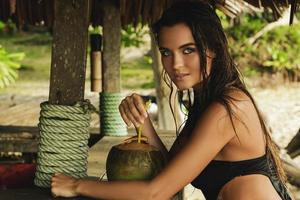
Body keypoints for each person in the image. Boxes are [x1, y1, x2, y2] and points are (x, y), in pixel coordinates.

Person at [51, 2, 292, 199]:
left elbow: (156, 192)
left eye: (188, 50)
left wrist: (76, 186)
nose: (175, 65)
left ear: (214, 48)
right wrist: (142, 122)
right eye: (167, 52)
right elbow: (170, 172)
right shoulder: (206, 101)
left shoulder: (228, 107)